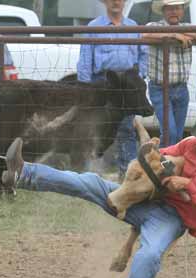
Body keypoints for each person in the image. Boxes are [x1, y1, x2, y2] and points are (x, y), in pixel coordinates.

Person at [1, 112, 196, 278]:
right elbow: (163, 157)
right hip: (146, 198)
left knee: (149, 254)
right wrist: (156, 157)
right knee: (90, 182)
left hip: (173, 218)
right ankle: (23, 174)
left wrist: (189, 186)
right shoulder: (193, 145)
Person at [77, 0, 149, 181]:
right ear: (105, 2)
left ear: (124, 2)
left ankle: (128, 175)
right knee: (95, 129)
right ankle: (90, 175)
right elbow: (85, 58)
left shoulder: (133, 27)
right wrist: (85, 89)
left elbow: (143, 54)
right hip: (103, 85)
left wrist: (137, 78)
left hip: (126, 87)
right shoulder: (94, 27)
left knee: (126, 129)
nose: (116, 2)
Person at [141, 0, 196, 147]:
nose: (174, 11)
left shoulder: (187, 27)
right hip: (160, 88)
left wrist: (181, 32)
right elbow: (144, 34)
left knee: (178, 134)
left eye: (177, 8)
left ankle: (170, 165)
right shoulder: (155, 26)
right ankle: (163, 165)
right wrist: (174, 35)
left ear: (182, 10)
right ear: (163, 11)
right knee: (170, 133)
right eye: (170, 8)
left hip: (181, 88)